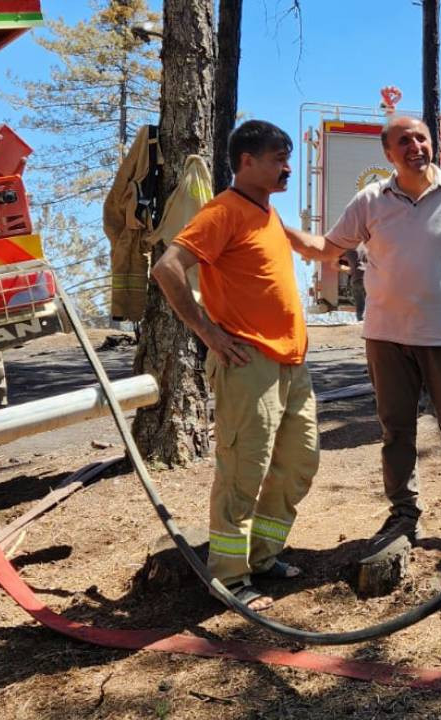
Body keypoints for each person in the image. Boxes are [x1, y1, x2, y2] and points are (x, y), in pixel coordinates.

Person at [291, 116, 441, 555]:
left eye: (421, 138)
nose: (415, 146)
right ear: (388, 153)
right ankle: (404, 514)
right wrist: (274, 227)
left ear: (432, 144)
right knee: (395, 431)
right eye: (403, 141)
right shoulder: (370, 200)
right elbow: (327, 250)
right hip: (386, 337)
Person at [151, 120, 317, 611]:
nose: (287, 168)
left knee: (297, 464)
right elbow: (167, 268)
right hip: (249, 364)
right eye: (276, 159)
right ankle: (229, 577)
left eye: (287, 158)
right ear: (246, 161)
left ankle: (262, 558)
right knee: (243, 472)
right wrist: (209, 334)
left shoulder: (265, 213)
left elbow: (303, 246)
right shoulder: (222, 211)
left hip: (291, 362)